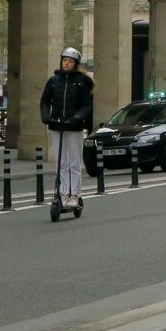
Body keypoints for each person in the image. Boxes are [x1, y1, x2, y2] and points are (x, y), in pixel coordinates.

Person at [39, 46, 94, 210]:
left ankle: (74, 194)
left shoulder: (81, 82)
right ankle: (63, 193)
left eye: (70, 61)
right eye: (64, 60)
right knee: (61, 162)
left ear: (75, 64)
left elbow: (87, 105)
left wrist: (78, 117)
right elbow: (44, 101)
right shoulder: (54, 81)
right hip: (57, 125)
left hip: (74, 126)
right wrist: (46, 116)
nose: (66, 64)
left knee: (74, 163)